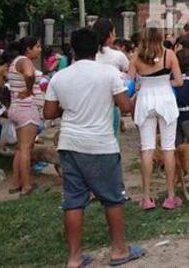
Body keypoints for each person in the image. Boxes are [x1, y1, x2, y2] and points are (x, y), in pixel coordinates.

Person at [43, 27, 145, 267]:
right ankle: (119, 250)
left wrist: (69, 106)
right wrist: (136, 95)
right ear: (98, 47)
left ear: (72, 50)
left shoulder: (60, 76)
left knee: (74, 201)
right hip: (101, 145)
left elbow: (48, 112)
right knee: (112, 198)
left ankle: (75, 257)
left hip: (70, 144)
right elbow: (125, 107)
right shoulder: (109, 74)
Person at [128, 27, 183, 210]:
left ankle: (146, 197)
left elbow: (129, 82)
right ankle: (170, 196)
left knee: (147, 149)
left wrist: (142, 84)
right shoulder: (169, 54)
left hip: (145, 100)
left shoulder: (136, 56)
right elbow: (179, 81)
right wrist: (165, 82)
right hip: (166, 99)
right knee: (168, 148)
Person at [7, 36, 44, 195]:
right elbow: (29, 75)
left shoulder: (15, 62)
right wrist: (29, 90)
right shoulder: (25, 61)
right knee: (26, 149)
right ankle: (26, 186)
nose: (40, 49)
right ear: (28, 49)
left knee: (20, 148)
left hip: (16, 108)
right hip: (26, 109)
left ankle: (16, 183)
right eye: (37, 46)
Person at [93, 18, 130, 135]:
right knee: (112, 138)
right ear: (110, 34)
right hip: (111, 103)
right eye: (114, 32)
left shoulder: (90, 54)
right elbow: (129, 75)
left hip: (91, 104)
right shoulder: (118, 56)